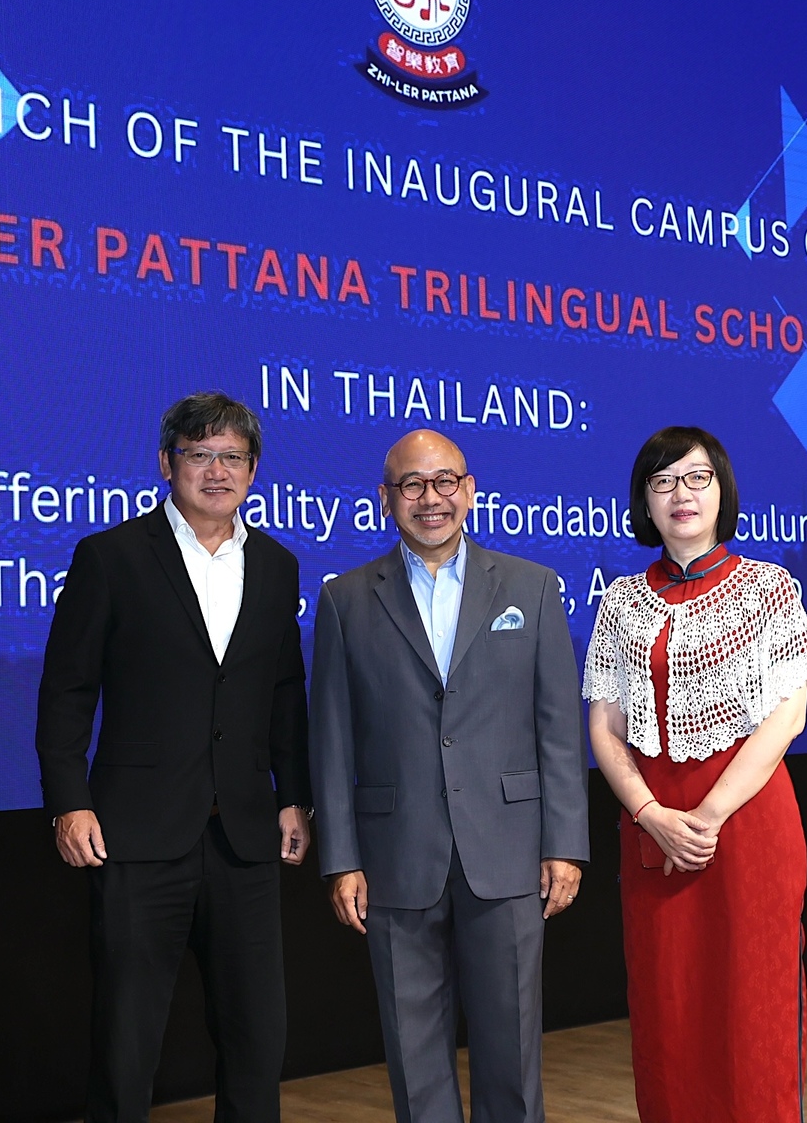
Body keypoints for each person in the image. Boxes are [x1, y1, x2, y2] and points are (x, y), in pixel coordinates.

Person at [35, 391, 312, 1123]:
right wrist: (69, 802)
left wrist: (294, 795)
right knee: (126, 1044)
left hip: (244, 836)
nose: (217, 472)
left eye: (233, 457)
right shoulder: (111, 557)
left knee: (257, 1039)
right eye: (200, 455)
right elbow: (67, 691)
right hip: (136, 835)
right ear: (167, 463)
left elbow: (285, 690)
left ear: (253, 470)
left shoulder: (278, 565)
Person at [310, 429, 589, 1123]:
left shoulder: (532, 587)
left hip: (509, 851)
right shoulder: (345, 600)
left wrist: (565, 843)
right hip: (394, 857)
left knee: (512, 1057)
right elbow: (332, 741)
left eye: (444, 481)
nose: (429, 498)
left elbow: (558, 728)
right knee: (414, 1060)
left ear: (469, 490)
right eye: (411, 484)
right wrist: (341, 859)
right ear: (386, 499)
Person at [583, 426, 807, 1123]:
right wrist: (651, 815)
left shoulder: (768, 587)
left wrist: (707, 818)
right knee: (669, 1006)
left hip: (747, 823)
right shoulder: (622, 601)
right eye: (662, 482)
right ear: (644, 503)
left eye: (696, 478)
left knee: (754, 1008)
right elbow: (604, 727)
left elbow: (788, 716)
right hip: (653, 826)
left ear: (722, 491)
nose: (680, 494)